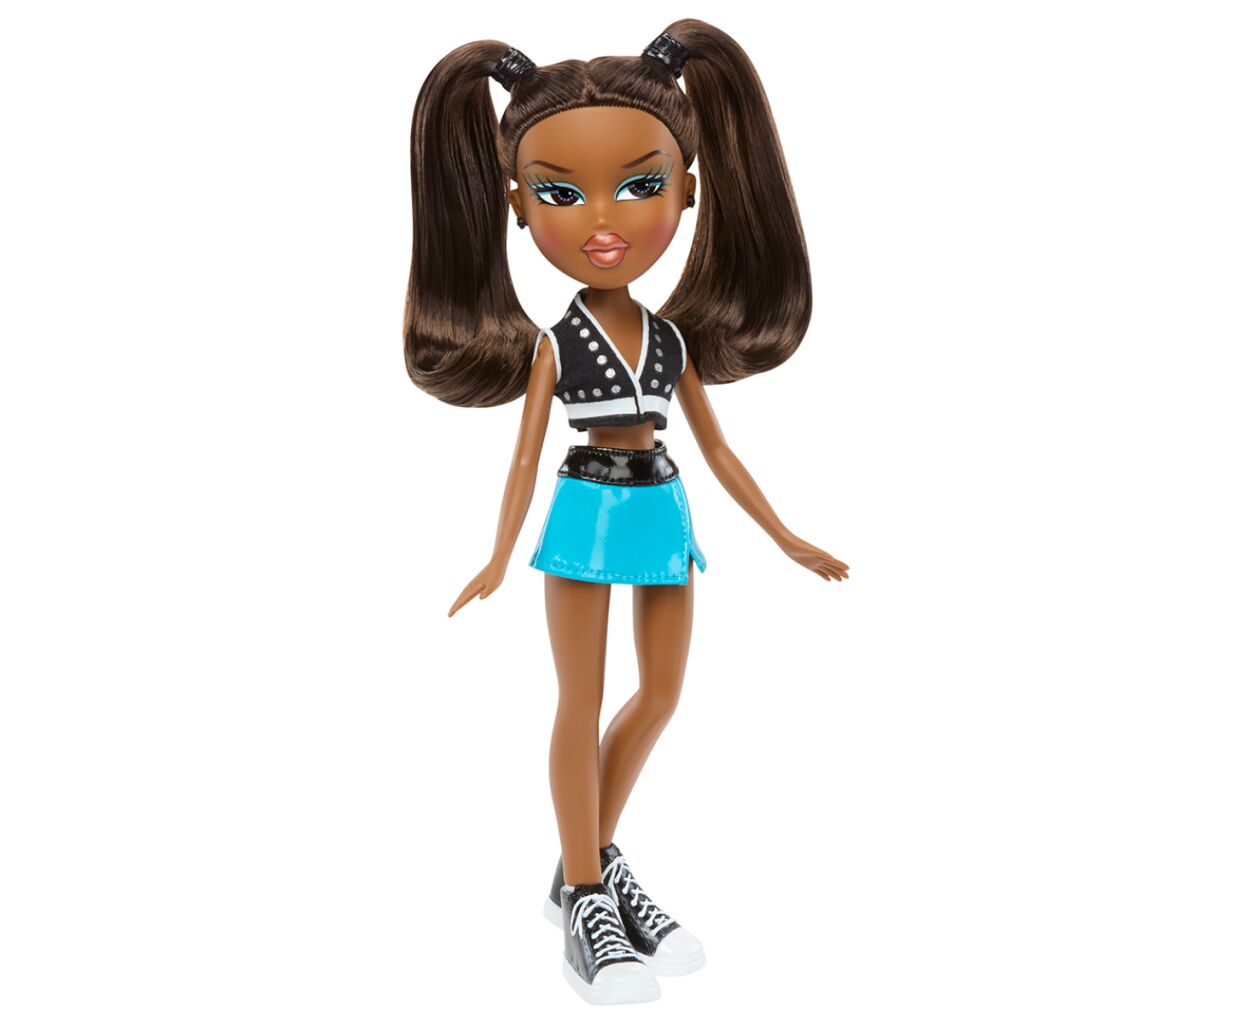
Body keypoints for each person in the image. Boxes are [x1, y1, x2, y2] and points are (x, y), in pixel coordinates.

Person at [404, 19, 850, 1005]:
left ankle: (586, 866)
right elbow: (526, 453)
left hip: (662, 510)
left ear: (688, 189)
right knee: (580, 697)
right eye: (562, 194)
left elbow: (718, 450)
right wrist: (496, 554)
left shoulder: (672, 342)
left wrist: (785, 536)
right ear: (518, 207)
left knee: (659, 695)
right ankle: (588, 893)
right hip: (583, 512)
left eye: (640, 184)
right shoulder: (555, 345)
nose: (603, 220)